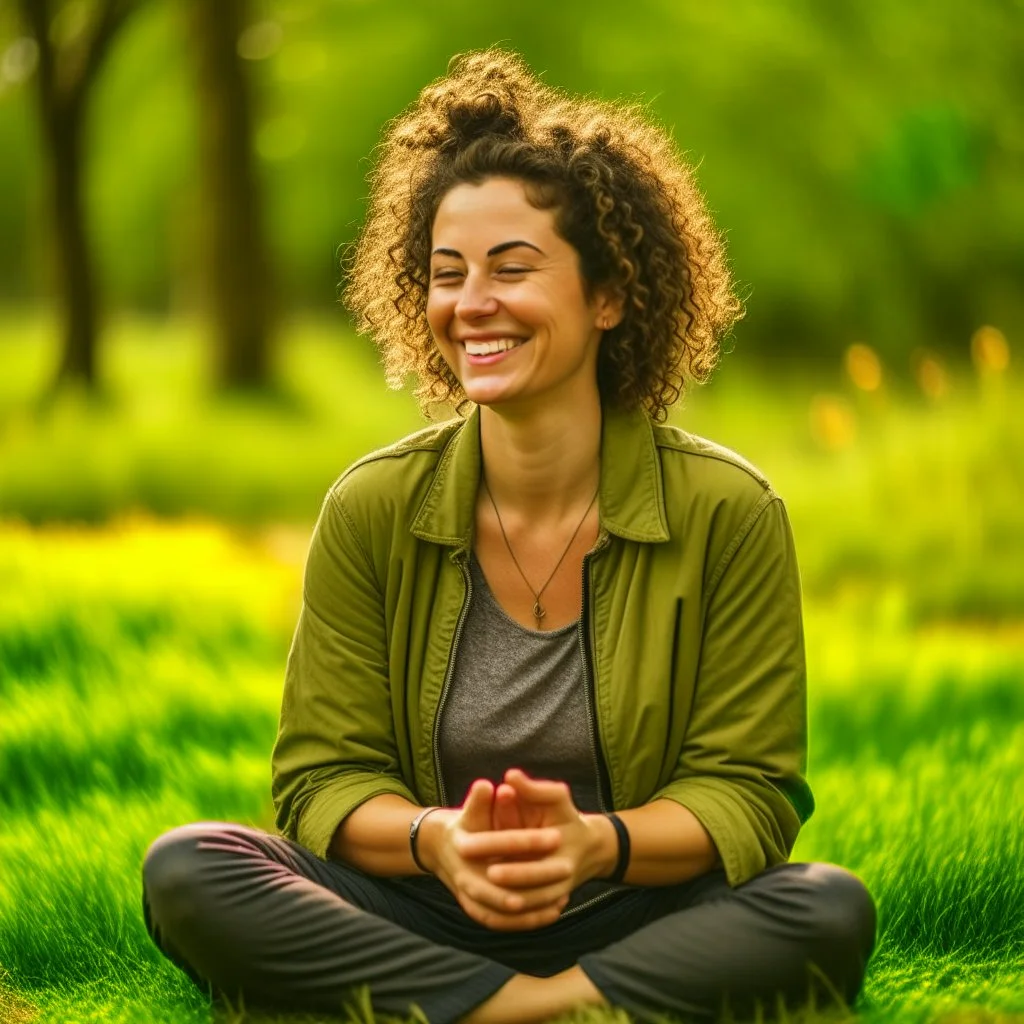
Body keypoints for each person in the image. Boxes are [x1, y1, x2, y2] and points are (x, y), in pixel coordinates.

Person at [142, 49, 876, 1024]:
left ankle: (503, 1006)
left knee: (826, 905)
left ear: (608, 298)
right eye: (447, 274)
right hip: (421, 904)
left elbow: (749, 794)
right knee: (190, 867)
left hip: (630, 907)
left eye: (511, 267)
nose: (470, 302)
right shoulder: (372, 506)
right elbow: (321, 778)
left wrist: (593, 845)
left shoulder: (726, 512)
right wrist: (437, 840)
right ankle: (550, 1009)